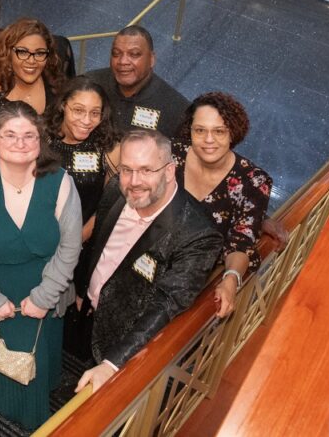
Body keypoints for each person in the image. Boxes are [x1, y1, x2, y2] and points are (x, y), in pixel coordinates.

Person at [0, 101, 82, 430]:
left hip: (45, 287)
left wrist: (45, 296)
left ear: (41, 140)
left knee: (38, 361)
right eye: (10, 135)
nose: (20, 143)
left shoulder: (60, 181)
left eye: (29, 135)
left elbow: (70, 246)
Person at [72, 130, 223, 394]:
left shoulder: (197, 234)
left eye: (146, 170)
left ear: (168, 171)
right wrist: (83, 289)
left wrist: (112, 363)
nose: (133, 181)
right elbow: (97, 247)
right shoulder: (115, 192)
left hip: (124, 345)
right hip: (85, 318)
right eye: (127, 169)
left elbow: (167, 304)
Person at [173, 92, 272, 318]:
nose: (209, 140)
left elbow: (242, 242)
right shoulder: (170, 154)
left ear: (233, 132)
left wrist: (230, 280)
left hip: (200, 278)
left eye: (219, 131)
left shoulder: (253, 182)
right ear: (190, 130)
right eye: (200, 130)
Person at [46, 77, 121, 240]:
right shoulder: (40, 138)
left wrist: (75, 242)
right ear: (63, 105)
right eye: (78, 110)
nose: (86, 121)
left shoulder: (109, 148)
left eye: (95, 113)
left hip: (84, 242)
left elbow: (108, 205)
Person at [85, 26, 188, 138]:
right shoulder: (91, 84)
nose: (123, 61)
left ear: (151, 59)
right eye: (116, 53)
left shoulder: (177, 109)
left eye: (134, 54)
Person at [0, 18, 66, 123]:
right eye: (22, 52)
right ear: (7, 52)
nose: (31, 61)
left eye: (39, 53)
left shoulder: (54, 81)